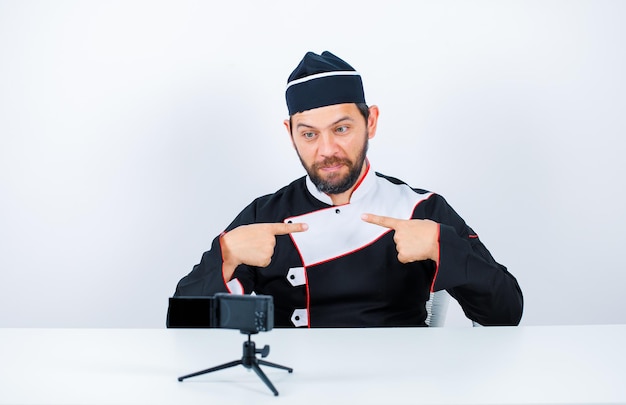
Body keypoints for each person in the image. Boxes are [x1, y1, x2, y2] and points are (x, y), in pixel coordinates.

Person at [170, 51, 523, 328]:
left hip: (403, 386)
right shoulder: (264, 216)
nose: (326, 151)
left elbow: (506, 314)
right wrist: (226, 255)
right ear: (290, 133)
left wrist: (444, 247)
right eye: (309, 134)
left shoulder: (421, 207)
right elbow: (185, 325)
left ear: (370, 122)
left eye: (341, 129)